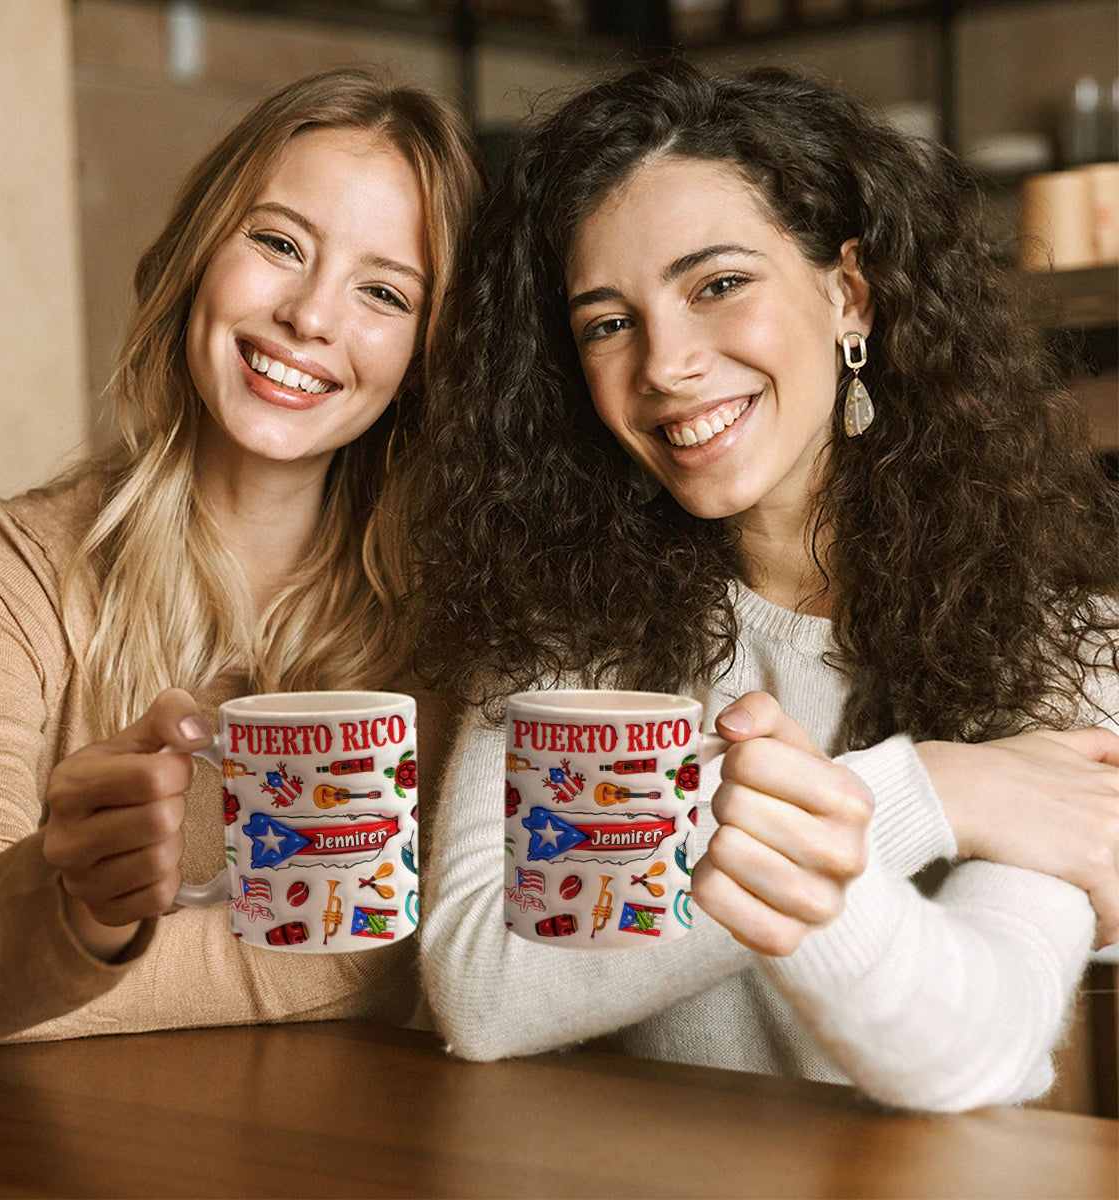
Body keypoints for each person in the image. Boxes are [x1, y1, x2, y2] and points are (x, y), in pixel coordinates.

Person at [407, 60, 1119, 1112]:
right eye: (608, 322)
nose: (665, 363)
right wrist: (923, 794)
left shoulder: (1064, 638)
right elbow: (480, 991)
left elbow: (973, 1045)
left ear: (849, 295)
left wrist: (837, 810)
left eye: (718, 285)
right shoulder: (564, 633)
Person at [0, 68, 482, 1048]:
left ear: (427, 355)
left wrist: (61, 974)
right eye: (278, 243)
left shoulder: (457, 620)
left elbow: (443, 945)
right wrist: (77, 912)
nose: (310, 315)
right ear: (198, 256)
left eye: (384, 292)